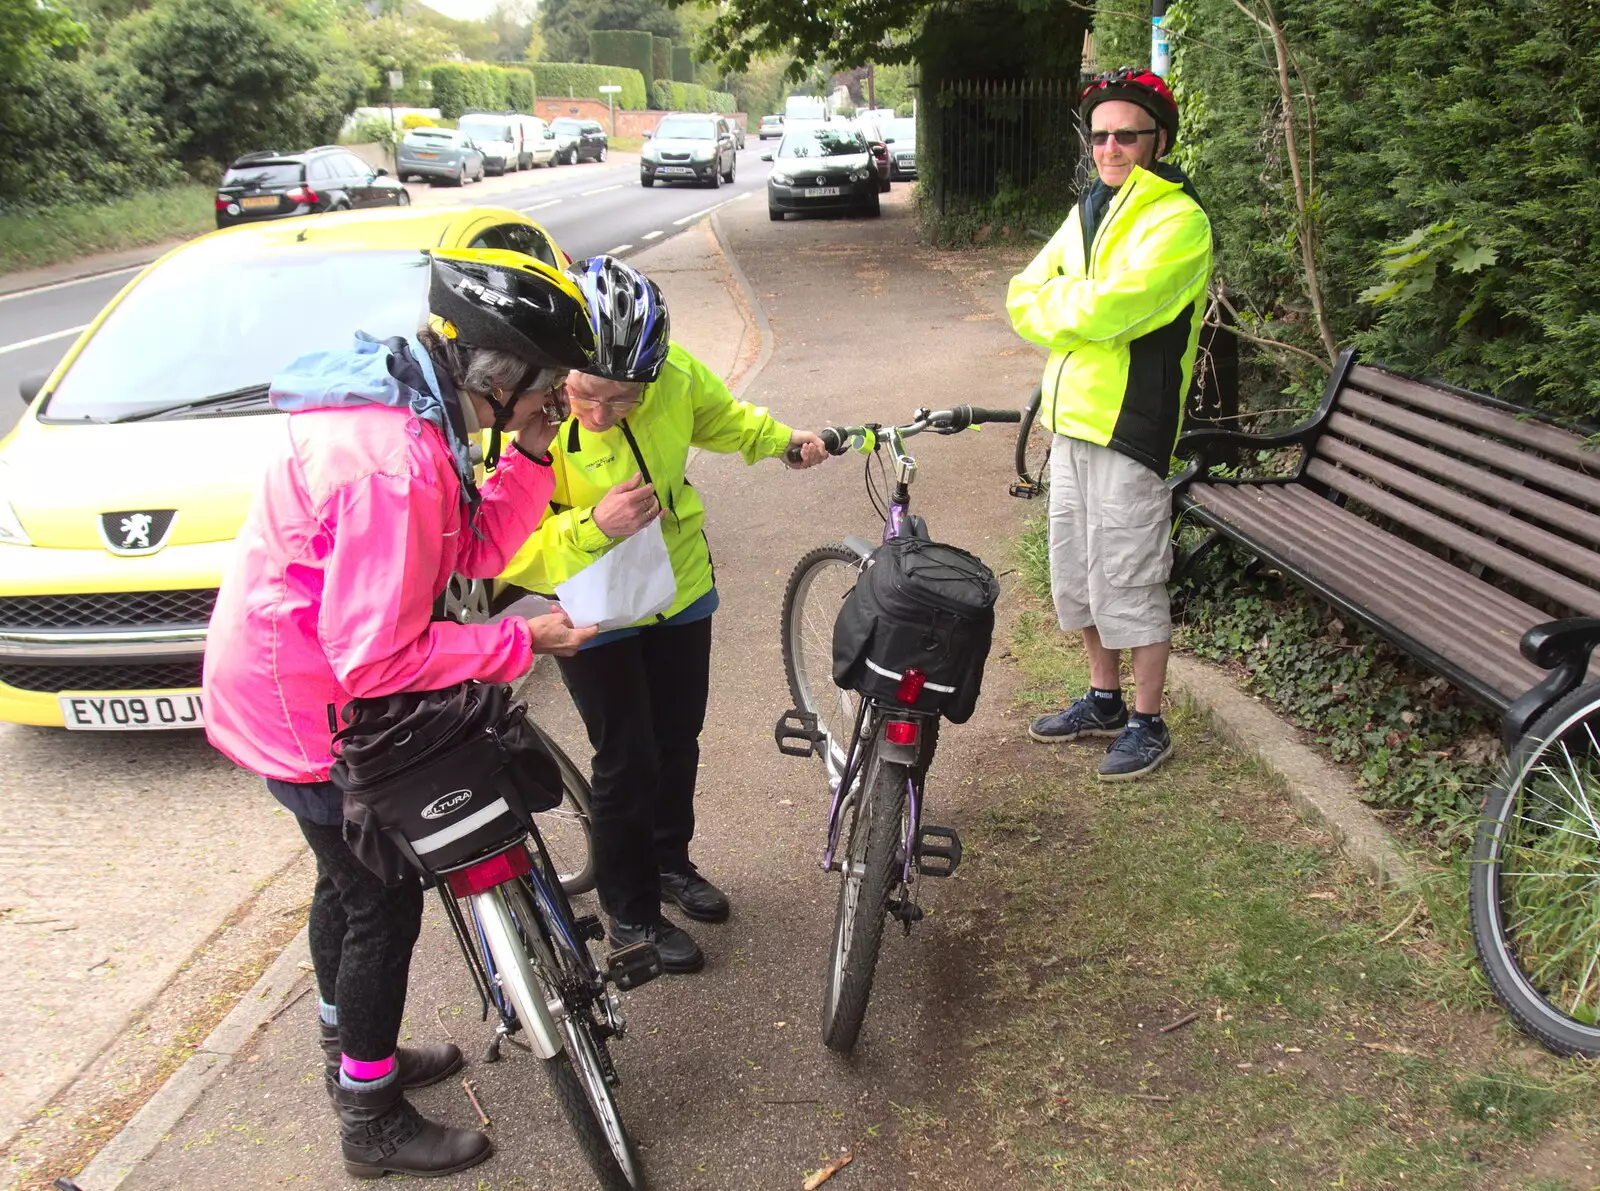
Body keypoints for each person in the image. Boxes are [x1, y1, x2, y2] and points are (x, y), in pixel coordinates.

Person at [202, 250, 599, 1179]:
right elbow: (377, 658)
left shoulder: (416, 404)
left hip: (289, 682)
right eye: (546, 392)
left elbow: (471, 548)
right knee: (381, 896)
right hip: (307, 706)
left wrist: (536, 450)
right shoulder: (395, 462)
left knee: (343, 883)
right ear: (501, 379)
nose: (555, 401)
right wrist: (520, 641)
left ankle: (350, 1064)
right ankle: (370, 1119)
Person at [500, 255, 827, 973]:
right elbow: (502, 548)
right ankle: (630, 914)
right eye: (585, 393)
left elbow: (723, 417)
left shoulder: (670, 373)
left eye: (624, 399)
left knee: (679, 738)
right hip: (591, 604)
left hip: (678, 587)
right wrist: (594, 526)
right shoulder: (524, 413)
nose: (599, 414)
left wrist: (783, 443)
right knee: (627, 757)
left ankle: (669, 861)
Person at [1005, 67, 1213, 781]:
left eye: (1128, 134)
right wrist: (1079, 306)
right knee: (1079, 574)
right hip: (1070, 425)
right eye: (1100, 135)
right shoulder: (1088, 209)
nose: (1112, 147)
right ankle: (1104, 698)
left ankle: (1150, 720)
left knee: (1130, 574)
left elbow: (1115, 310)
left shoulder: (1179, 220)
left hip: (1132, 425)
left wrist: (1070, 306)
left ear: (1158, 140)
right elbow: (1020, 294)